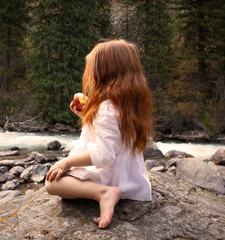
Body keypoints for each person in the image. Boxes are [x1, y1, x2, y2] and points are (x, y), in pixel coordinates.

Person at [45, 39, 153, 229]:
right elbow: (112, 138)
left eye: (93, 69)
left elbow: (104, 155)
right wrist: (87, 116)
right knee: (58, 176)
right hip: (128, 176)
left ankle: (103, 193)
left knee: (52, 183)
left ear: (105, 72)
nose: (90, 75)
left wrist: (68, 162)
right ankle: (106, 191)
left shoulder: (107, 108)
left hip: (113, 177)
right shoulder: (128, 104)